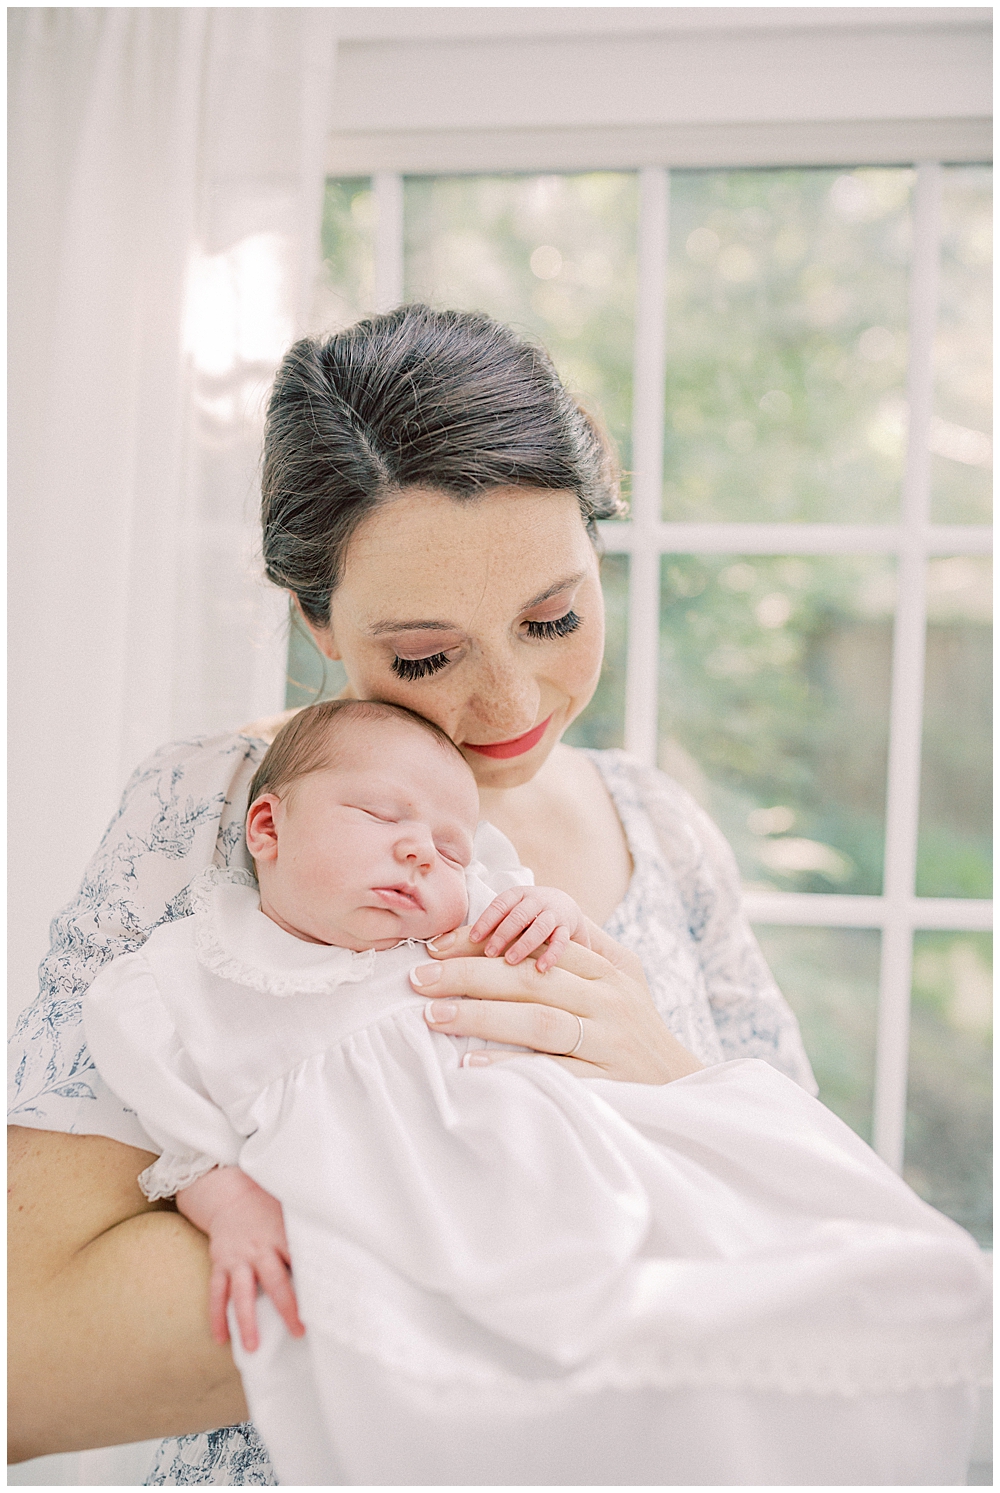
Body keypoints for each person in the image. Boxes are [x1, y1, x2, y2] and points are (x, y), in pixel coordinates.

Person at [6, 305, 979, 1483]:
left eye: (553, 616)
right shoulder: (209, 812)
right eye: (425, 655)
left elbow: (797, 1242)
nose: (509, 699)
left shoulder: (659, 832)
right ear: (314, 619)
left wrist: (662, 1071)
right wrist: (483, 1234)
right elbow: (30, 1353)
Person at [81, 697, 990, 1487]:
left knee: (778, 1284)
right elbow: (186, 1132)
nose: (421, 852)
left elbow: (566, 959)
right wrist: (231, 1205)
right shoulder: (188, 980)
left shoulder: (466, 925)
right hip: (404, 1219)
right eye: (378, 813)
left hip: (556, 1175)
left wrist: (553, 918)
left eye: (448, 846)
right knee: (505, 1389)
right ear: (267, 828)